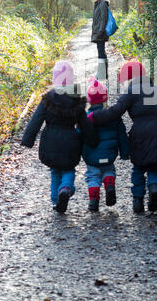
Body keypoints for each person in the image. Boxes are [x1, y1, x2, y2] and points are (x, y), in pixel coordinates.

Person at [87, 61, 157, 213]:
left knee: (138, 168)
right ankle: (154, 188)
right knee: (154, 166)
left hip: (140, 134)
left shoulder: (131, 93)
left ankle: (138, 201)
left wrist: (93, 117)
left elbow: (114, 112)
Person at [20, 61, 99, 213]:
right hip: (70, 142)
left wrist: (27, 140)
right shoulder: (76, 100)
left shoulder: (48, 99)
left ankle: (56, 201)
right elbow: (84, 124)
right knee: (68, 169)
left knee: (55, 171)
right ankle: (66, 189)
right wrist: (93, 140)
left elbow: (36, 120)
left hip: (50, 142)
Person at [81, 77, 130, 212]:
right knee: (109, 170)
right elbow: (122, 135)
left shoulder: (85, 119)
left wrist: (75, 153)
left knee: (93, 176)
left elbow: (78, 136)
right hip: (109, 155)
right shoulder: (113, 116)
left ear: (89, 100)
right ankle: (109, 185)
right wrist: (125, 153)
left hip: (91, 156)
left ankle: (94, 201)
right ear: (105, 99)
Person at [91, 0, 109, 80]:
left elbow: (103, 19)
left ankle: (102, 73)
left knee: (101, 52)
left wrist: (100, 32)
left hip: (100, 33)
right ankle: (103, 73)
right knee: (101, 52)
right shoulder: (98, 4)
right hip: (99, 32)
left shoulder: (103, 4)